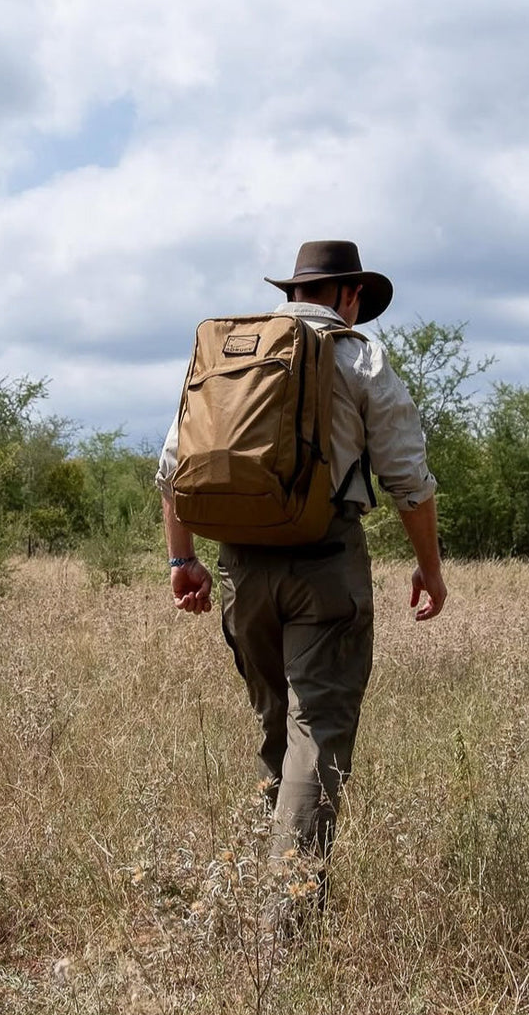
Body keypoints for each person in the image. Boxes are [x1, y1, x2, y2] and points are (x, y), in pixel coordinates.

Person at [155, 240, 447, 888]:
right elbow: (408, 478)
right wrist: (429, 566)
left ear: (293, 292)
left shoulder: (229, 353)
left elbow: (172, 473)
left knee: (276, 730)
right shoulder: (359, 355)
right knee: (316, 732)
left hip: (242, 572)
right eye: (358, 301)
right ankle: (282, 925)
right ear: (347, 295)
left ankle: (263, 888)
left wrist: (183, 559)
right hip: (325, 564)